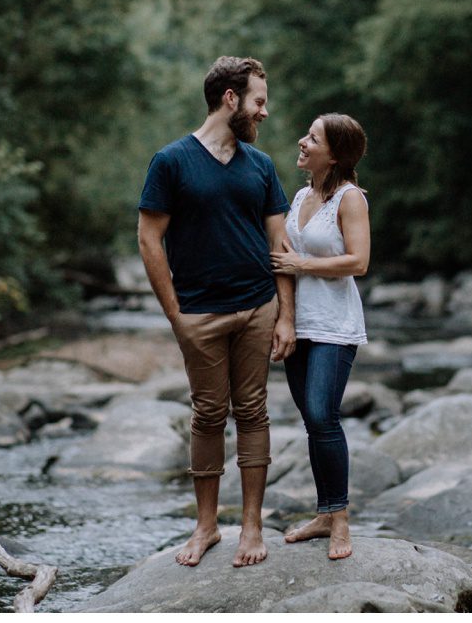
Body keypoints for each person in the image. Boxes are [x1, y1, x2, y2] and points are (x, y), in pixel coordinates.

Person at [137, 56, 296, 568]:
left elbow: (280, 244)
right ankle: (206, 526)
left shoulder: (261, 165)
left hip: (257, 306)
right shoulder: (171, 161)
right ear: (231, 99)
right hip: (199, 313)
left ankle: (251, 526)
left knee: (253, 412)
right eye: (258, 101)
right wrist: (175, 315)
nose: (264, 112)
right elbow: (149, 238)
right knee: (207, 415)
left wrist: (285, 314)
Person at [270, 113, 369, 561]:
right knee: (313, 421)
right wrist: (284, 318)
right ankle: (324, 513)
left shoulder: (351, 199)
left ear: (334, 155)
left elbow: (359, 262)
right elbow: (282, 259)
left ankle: (340, 517)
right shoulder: (300, 196)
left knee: (321, 414)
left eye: (313, 138)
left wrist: (303, 264)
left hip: (335, 324)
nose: (302, 141)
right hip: (300, 322)